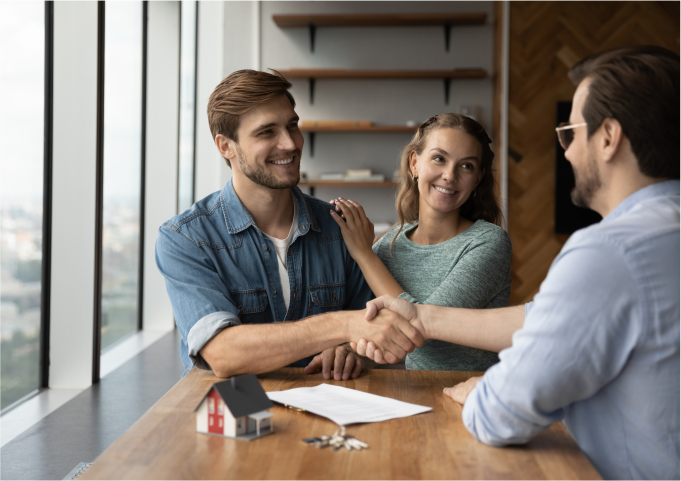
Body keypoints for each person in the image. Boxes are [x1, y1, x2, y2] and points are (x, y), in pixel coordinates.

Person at [354, 45, 681, 481]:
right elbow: (544, 319)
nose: (564, 151)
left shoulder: (608, 253)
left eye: (570, 132)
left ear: (607, 137)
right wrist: (419, 316)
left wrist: (485, 390)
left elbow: (501, 414)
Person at [155, 69, 423, 380]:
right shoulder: (185, 238)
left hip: (331, 414)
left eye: (292, 126)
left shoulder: (342, 227)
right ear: (225, 146)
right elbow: (222, 353)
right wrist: (345, 325)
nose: (290, 143)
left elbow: (378, 331)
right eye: (267, 132)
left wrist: (351, 350)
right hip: (236, 418)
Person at [325, 114, 511, 371]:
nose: (449, 175)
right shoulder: (388, 245)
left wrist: (364, 255)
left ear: (477, 179)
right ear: (415, 163)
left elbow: (425, 330)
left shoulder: (489, 243)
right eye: (439, 159)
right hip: (402, 395)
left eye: (466, 166)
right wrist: (349, 350)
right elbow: (377, 331)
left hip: (467, 398)